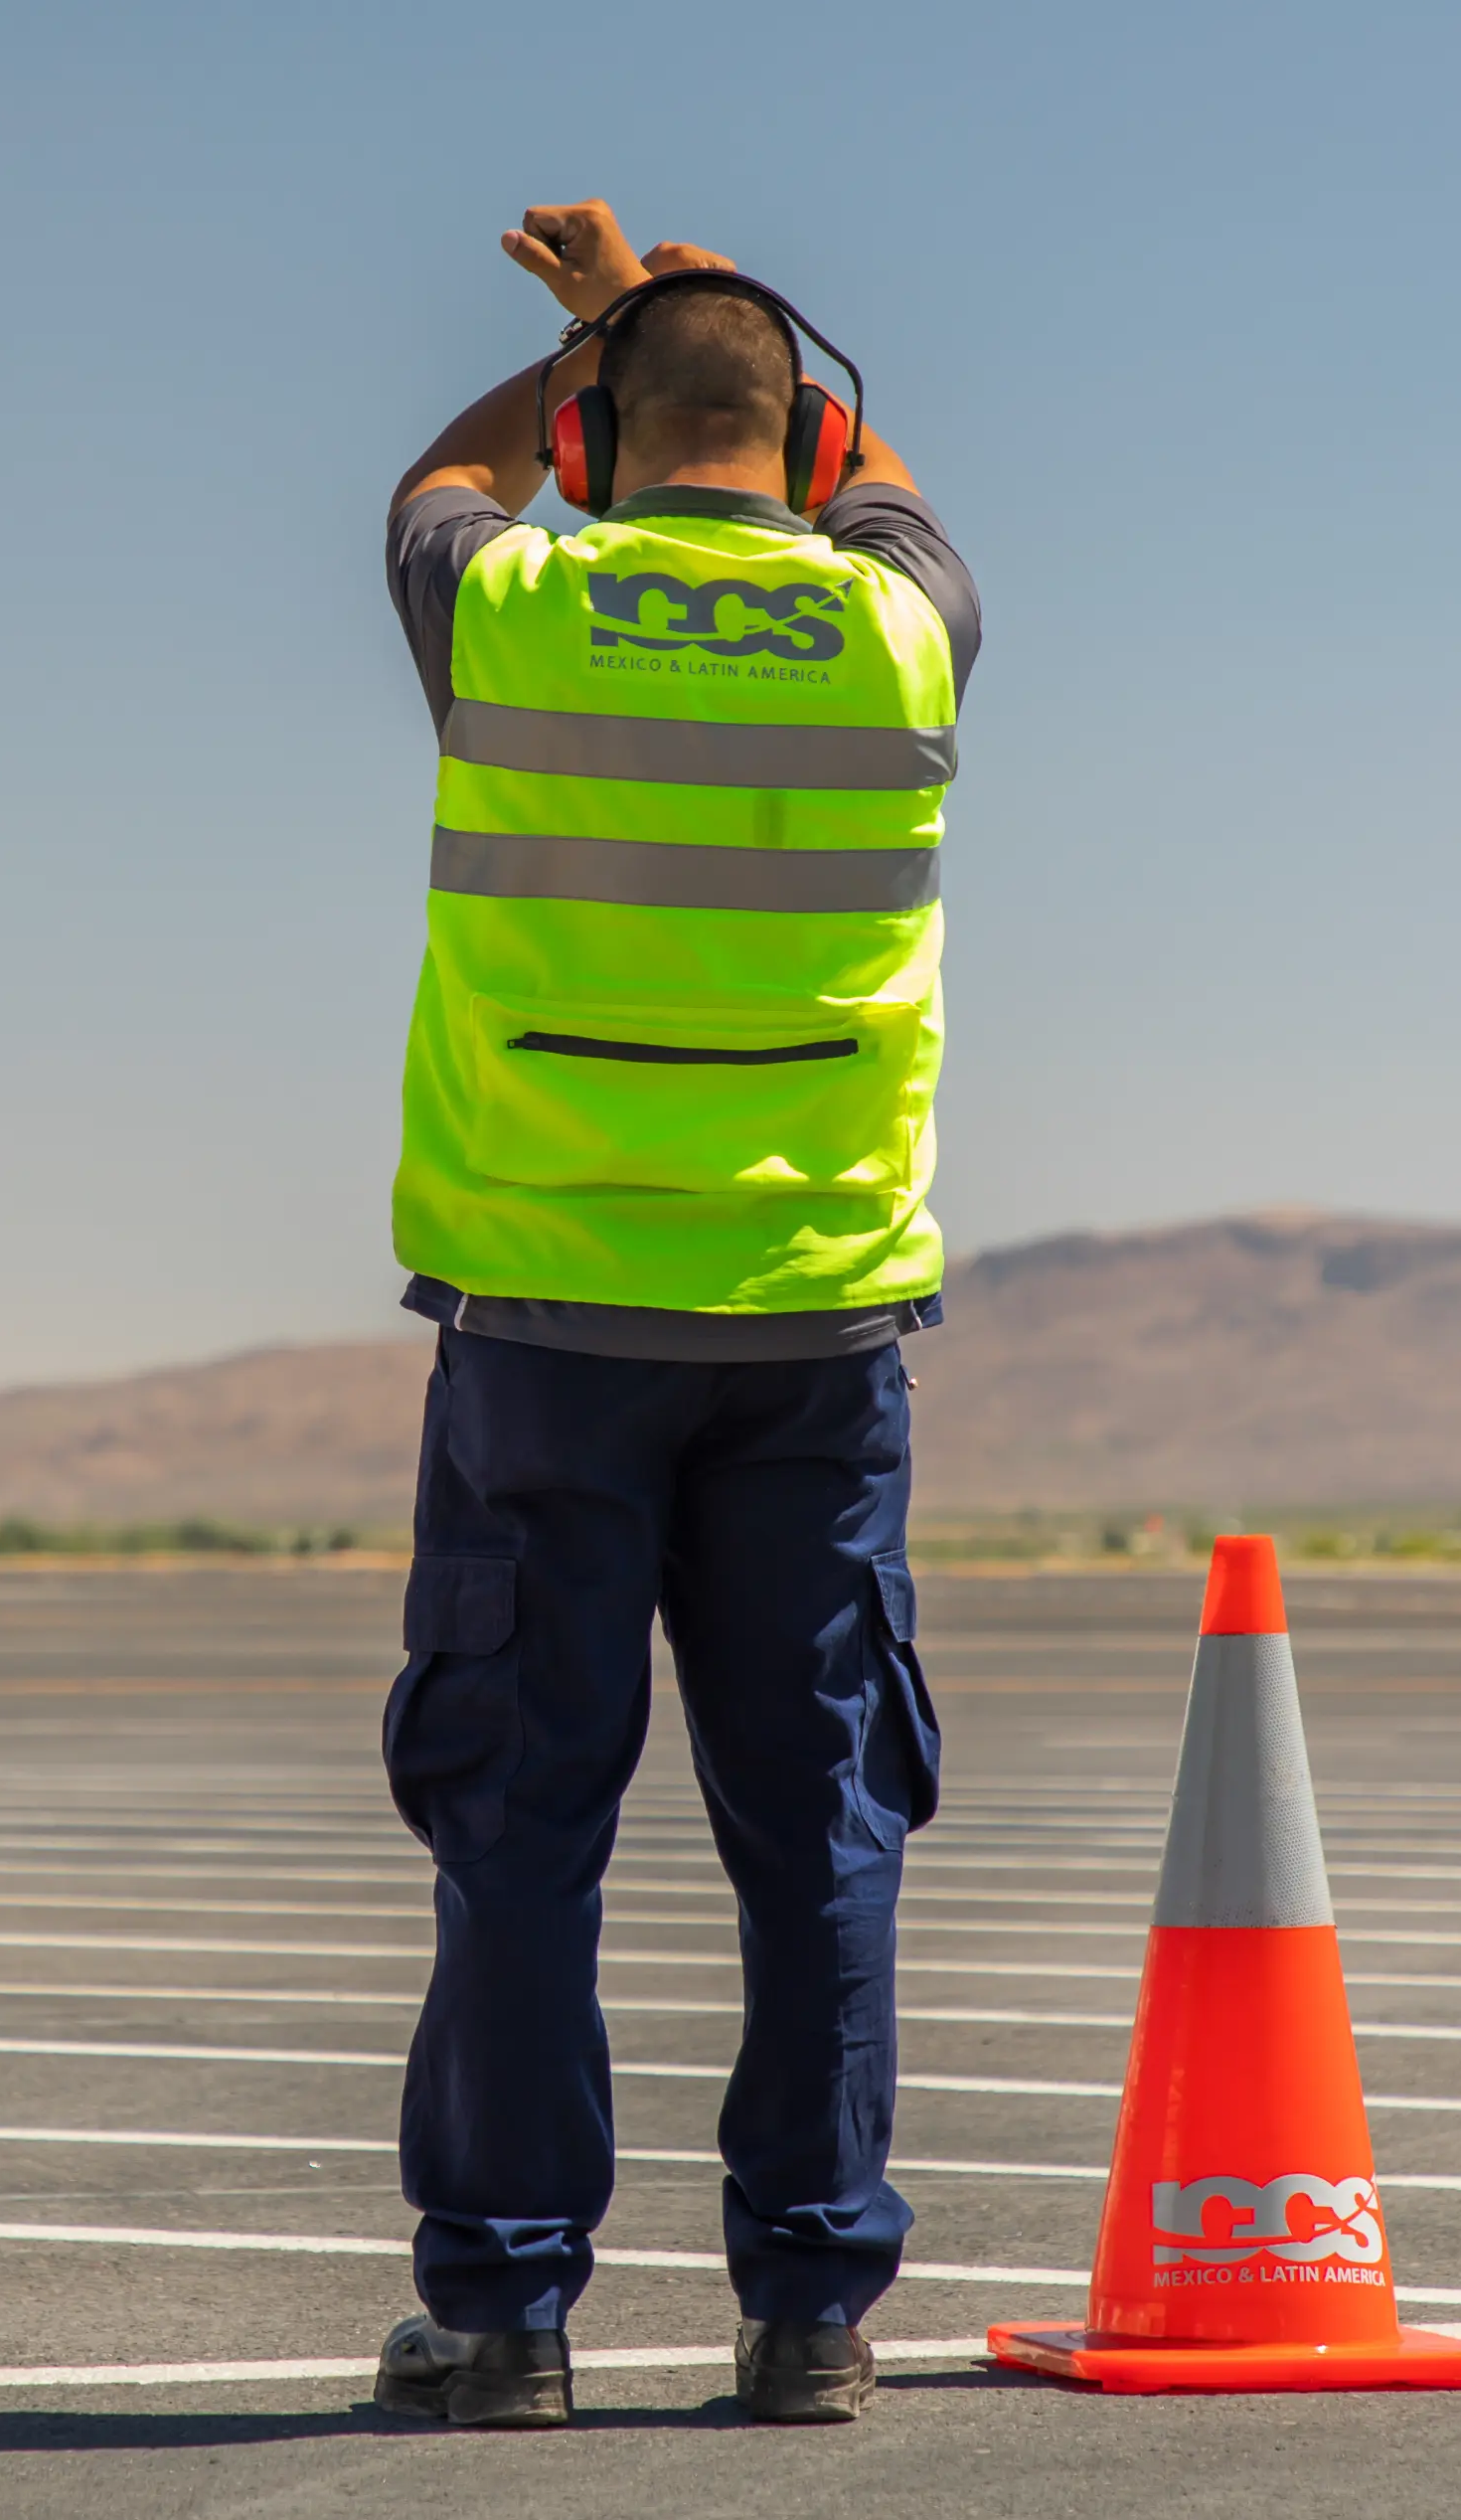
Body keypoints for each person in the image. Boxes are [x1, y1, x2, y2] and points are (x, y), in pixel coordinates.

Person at [368, 200, 984, 2431]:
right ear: (811, 436)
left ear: (591, 439)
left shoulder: (513, 605)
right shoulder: (904, 627)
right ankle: (809, 2304)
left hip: (548, 1321)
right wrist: (675, 316)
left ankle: (507, 2314)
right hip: (813, 1331)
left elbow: (433, 496)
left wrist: (581, 338)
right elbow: (884, 488)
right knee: (813, 1818)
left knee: (524, 1823)